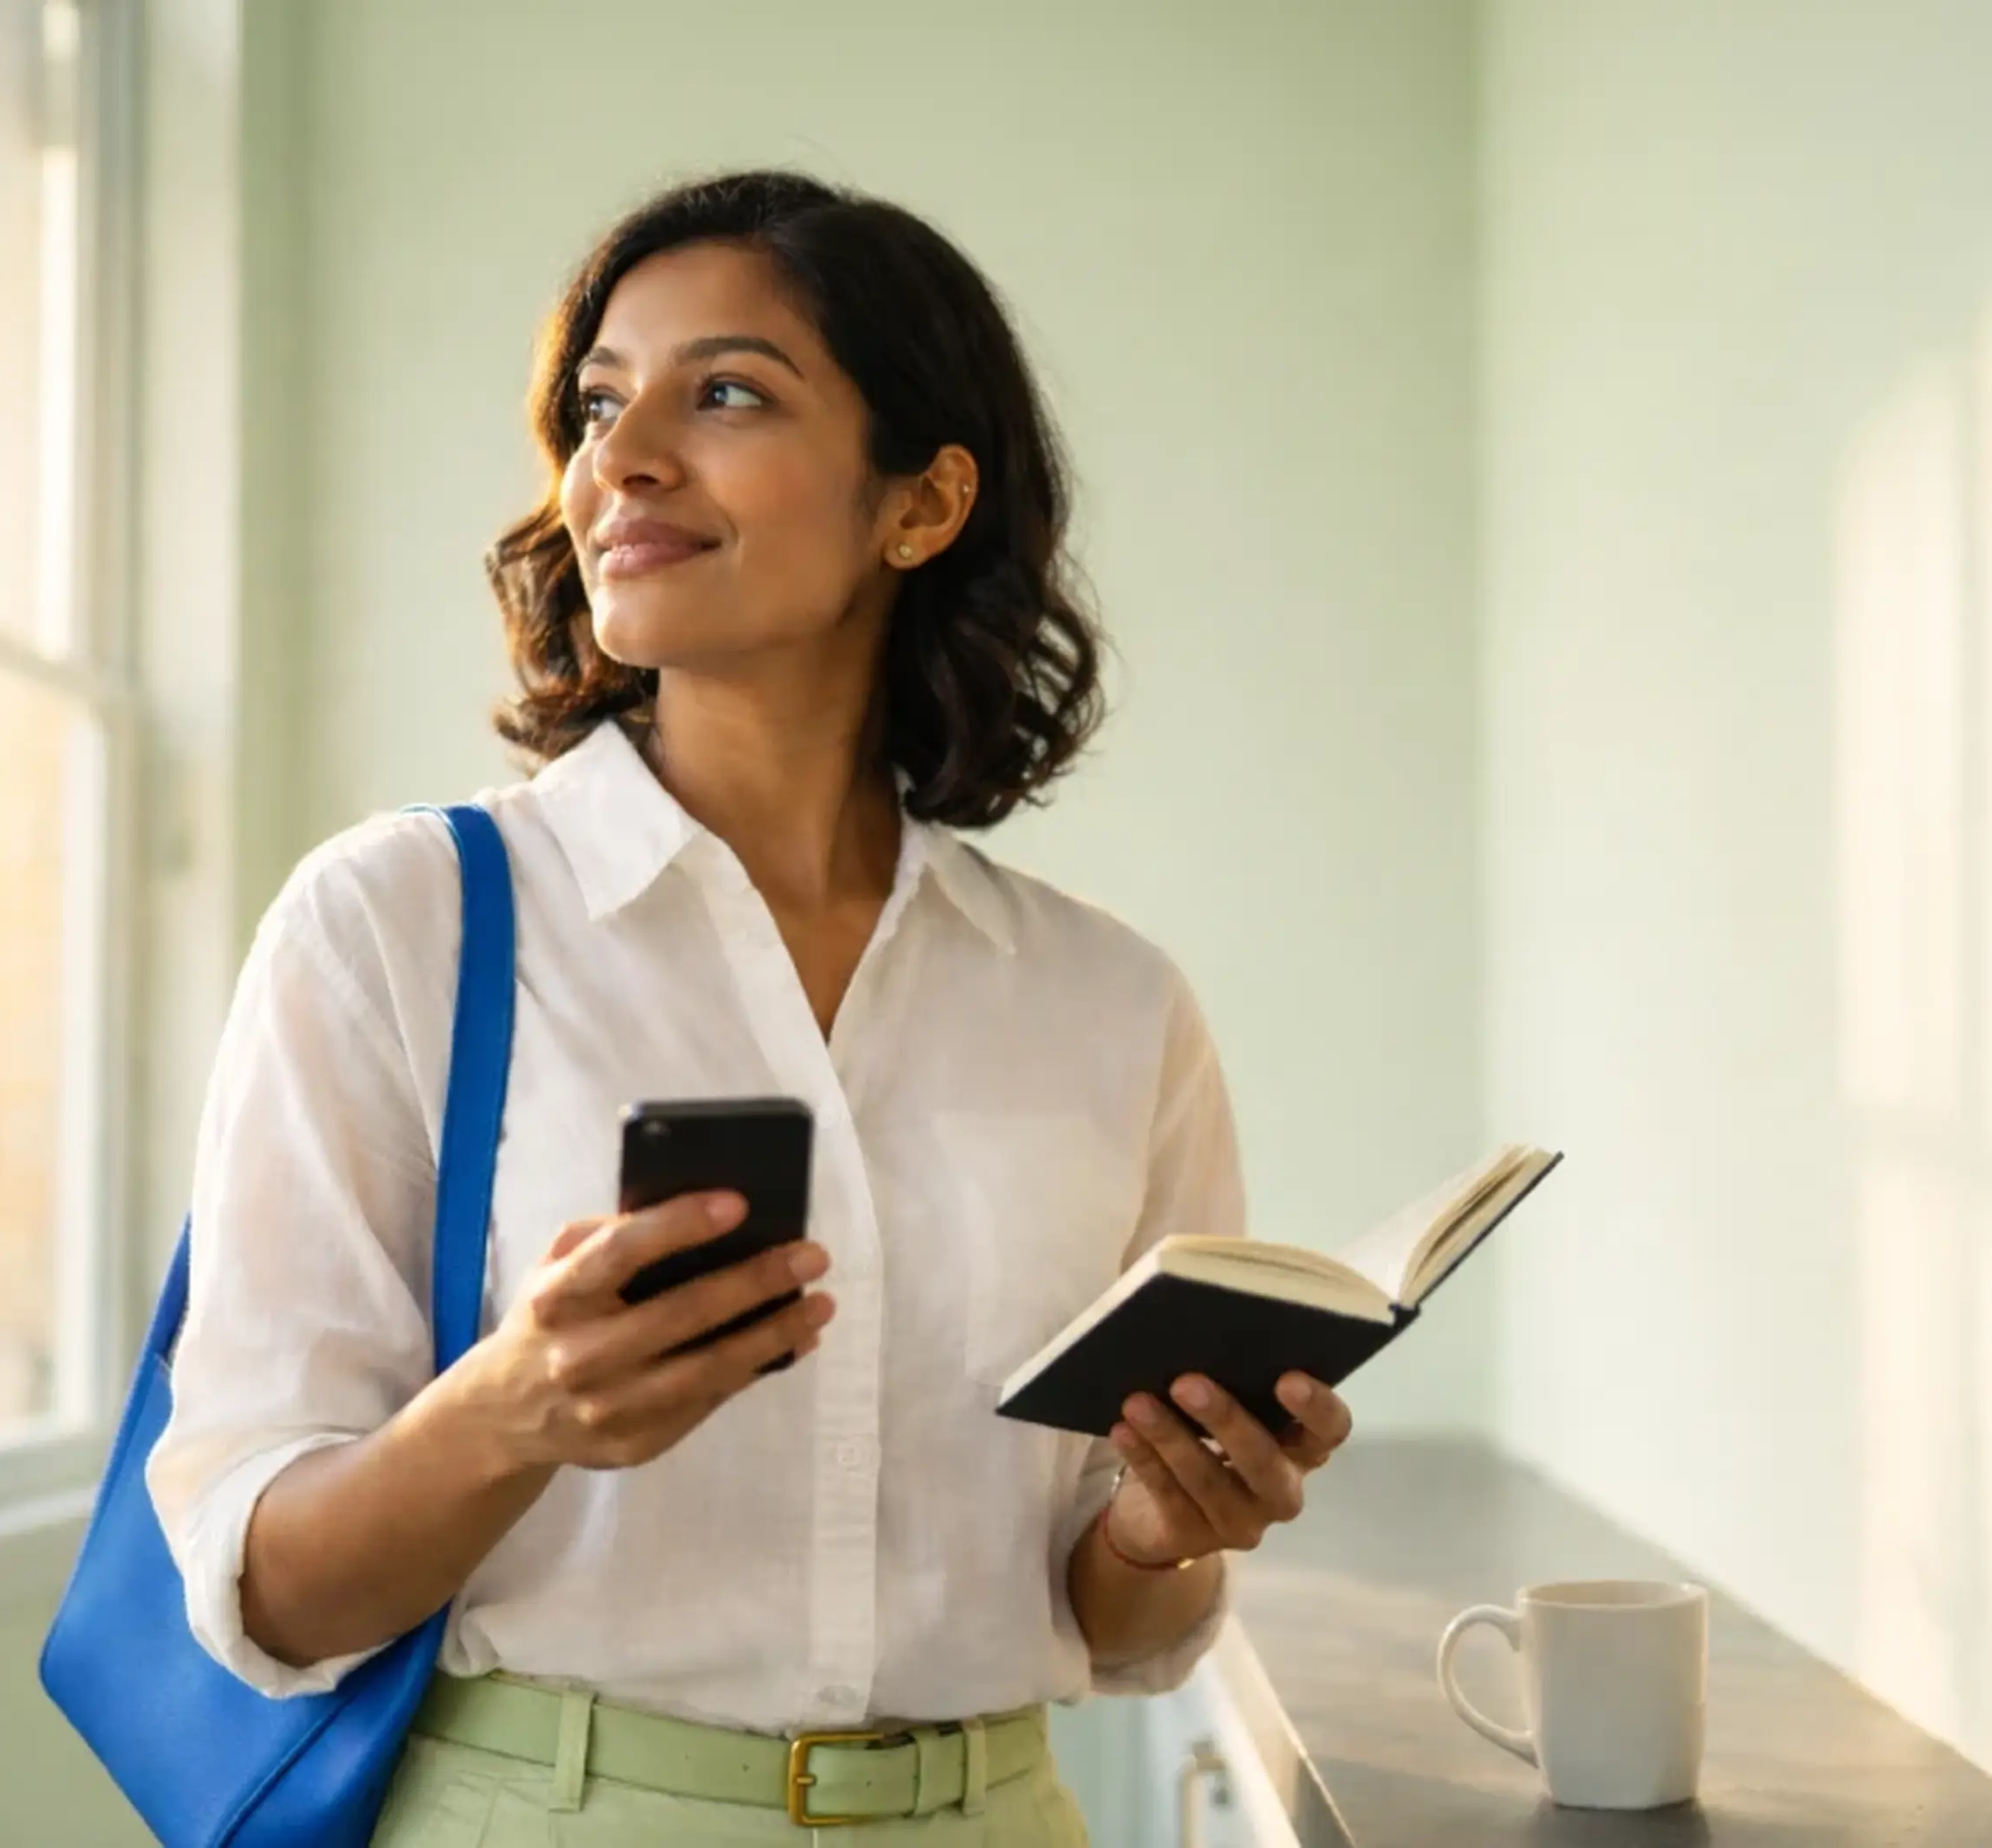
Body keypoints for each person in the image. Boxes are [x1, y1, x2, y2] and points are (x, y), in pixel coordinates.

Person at [149, 169, 1353, 1846]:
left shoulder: (1108, 1005)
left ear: (922, 505)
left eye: (724, 392)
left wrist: (1166, 1530)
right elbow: (264, 1592)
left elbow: (1118, 1631)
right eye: (595, 402)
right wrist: (517, 1411)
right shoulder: (393, 924)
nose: (621, 458)